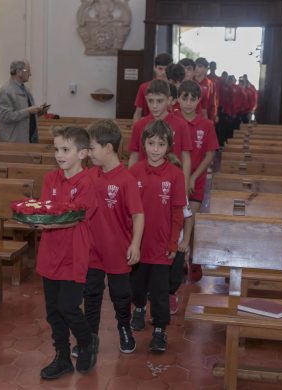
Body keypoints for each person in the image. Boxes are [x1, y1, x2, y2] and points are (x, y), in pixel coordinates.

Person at [36, 126, 99, 379]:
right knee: (53, 311)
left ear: (82, 153)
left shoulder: (88, 182)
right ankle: (62, 356)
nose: (59, 155)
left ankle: (87, 341)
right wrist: (36, 217)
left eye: (65, 149)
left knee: (68, 306)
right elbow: (44, 209)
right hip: (49, 253)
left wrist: (47, 221)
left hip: (74, 254)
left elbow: (76, 216)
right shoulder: (50, 179)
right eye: (56, 149)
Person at [80, 119, 144, 355]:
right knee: (91, 293)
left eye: (92, 148)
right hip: (93, 249)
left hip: (118, 248)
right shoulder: (90, 175)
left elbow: (138, 215)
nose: (89, 153)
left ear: (108, 148)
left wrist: (135, 244)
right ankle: (89, 337)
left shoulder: (126, 179)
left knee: (121, 295)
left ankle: (124, 328)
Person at [129, 120, 187, 352]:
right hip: (138, 244)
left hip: (162, 245)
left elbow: (177, 212)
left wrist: (174, 241)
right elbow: (128, 211)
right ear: (144, 144)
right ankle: (140, 308)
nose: (155, 149)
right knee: (137, 285)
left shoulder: (175, 175)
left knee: (161, 292)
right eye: (151, 143)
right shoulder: (134, 172)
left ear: (168, 146)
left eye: (160, 144)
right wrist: (129, 241)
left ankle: (160, 330)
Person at [176, 80, 219, 282]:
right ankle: (177, 257)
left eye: (193, 99)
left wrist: (192, 176)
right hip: (174, 177)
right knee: (175, 218)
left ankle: (192, 259)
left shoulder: (206, 124)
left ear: (198, 101)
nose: (188, 103)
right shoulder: (172, 121)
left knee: (191, 216)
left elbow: (210, 155)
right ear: (178, 99)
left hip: (197, 178)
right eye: (184, 98)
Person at [128, 79, 192, 190]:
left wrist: (184, 185)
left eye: (159, 101)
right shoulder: (139, 125)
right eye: (150, 101)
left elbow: (186, 157)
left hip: (171, 183)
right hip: (143, 184)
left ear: (169, 100)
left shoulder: (181, 125)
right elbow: (134, 156)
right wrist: (130, 185)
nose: (154, 106)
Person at [0, 60, 49, 143]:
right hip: (13, 142)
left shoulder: (25, 90)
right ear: (19, 72)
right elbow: (5, 116)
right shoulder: (6, 91)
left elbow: (25, 114)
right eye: (28, 71)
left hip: (28, 138)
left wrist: (39, 111)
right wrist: (28, 111)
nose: (30, 74)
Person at [132, 53, 173, 123]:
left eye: (166, 69)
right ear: (155, 68)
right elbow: (138, 113)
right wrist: (135, 131)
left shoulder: (175, 88)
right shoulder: (144, 87)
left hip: (172, 126)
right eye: (160, 68)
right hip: (149, 127)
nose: (163, 72)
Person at [195, 57, 217, 122]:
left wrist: (212, 118)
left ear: (206, 69)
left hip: (205, 118)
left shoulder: (210, 84)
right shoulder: (190, 81)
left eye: (199, 66)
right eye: (195, 66)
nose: (196, 68)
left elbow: (213, 103)